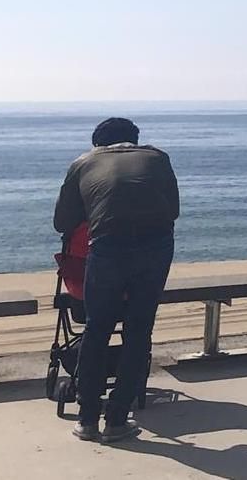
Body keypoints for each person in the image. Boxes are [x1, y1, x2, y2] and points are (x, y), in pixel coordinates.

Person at [53, 116, 179, 444]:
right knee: (138, 331)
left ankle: (87, 419)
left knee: (97, 329)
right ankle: (118, 420)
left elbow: (62, 221)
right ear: (134, 140)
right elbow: (173, 209)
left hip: (108, 247)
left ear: (98, 144)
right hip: (155, 247)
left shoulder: (83, 163)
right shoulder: (158, 158)